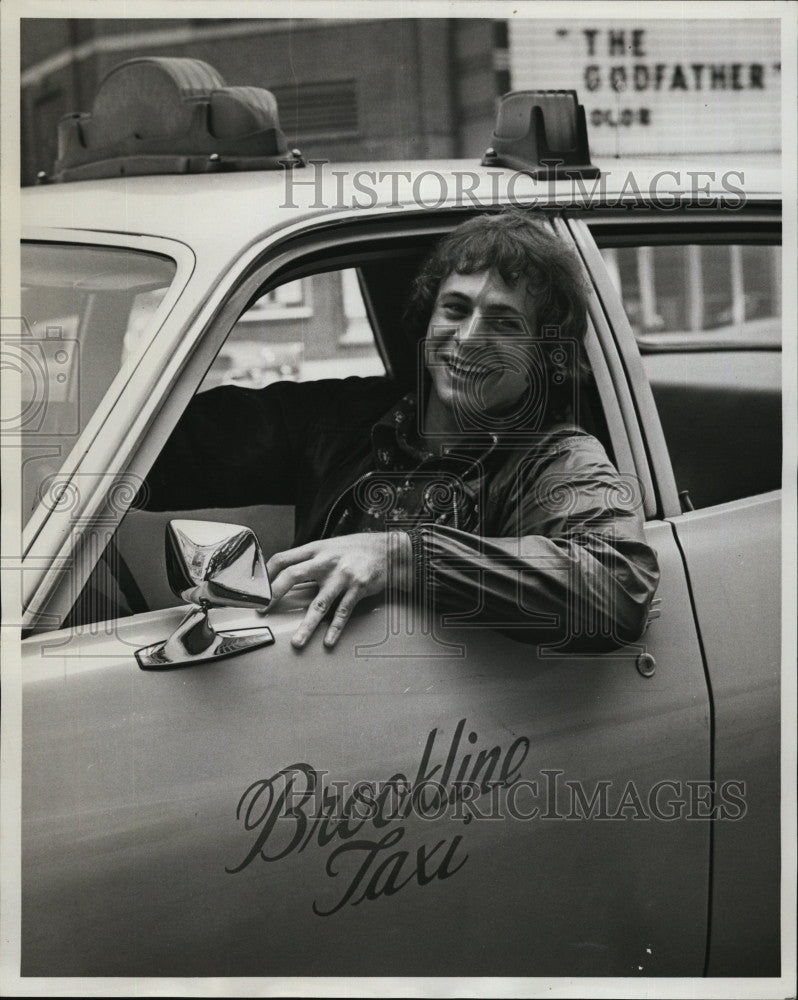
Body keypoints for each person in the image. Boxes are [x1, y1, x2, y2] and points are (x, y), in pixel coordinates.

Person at [141, 211, 659, 651]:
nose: (468, 338)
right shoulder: (343, 416)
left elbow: (617, 585)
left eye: (504, 324)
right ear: (428, 318)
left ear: (545, 353)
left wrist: (405, 556)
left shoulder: (559, 458)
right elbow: (165, 448)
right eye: (455, 309)